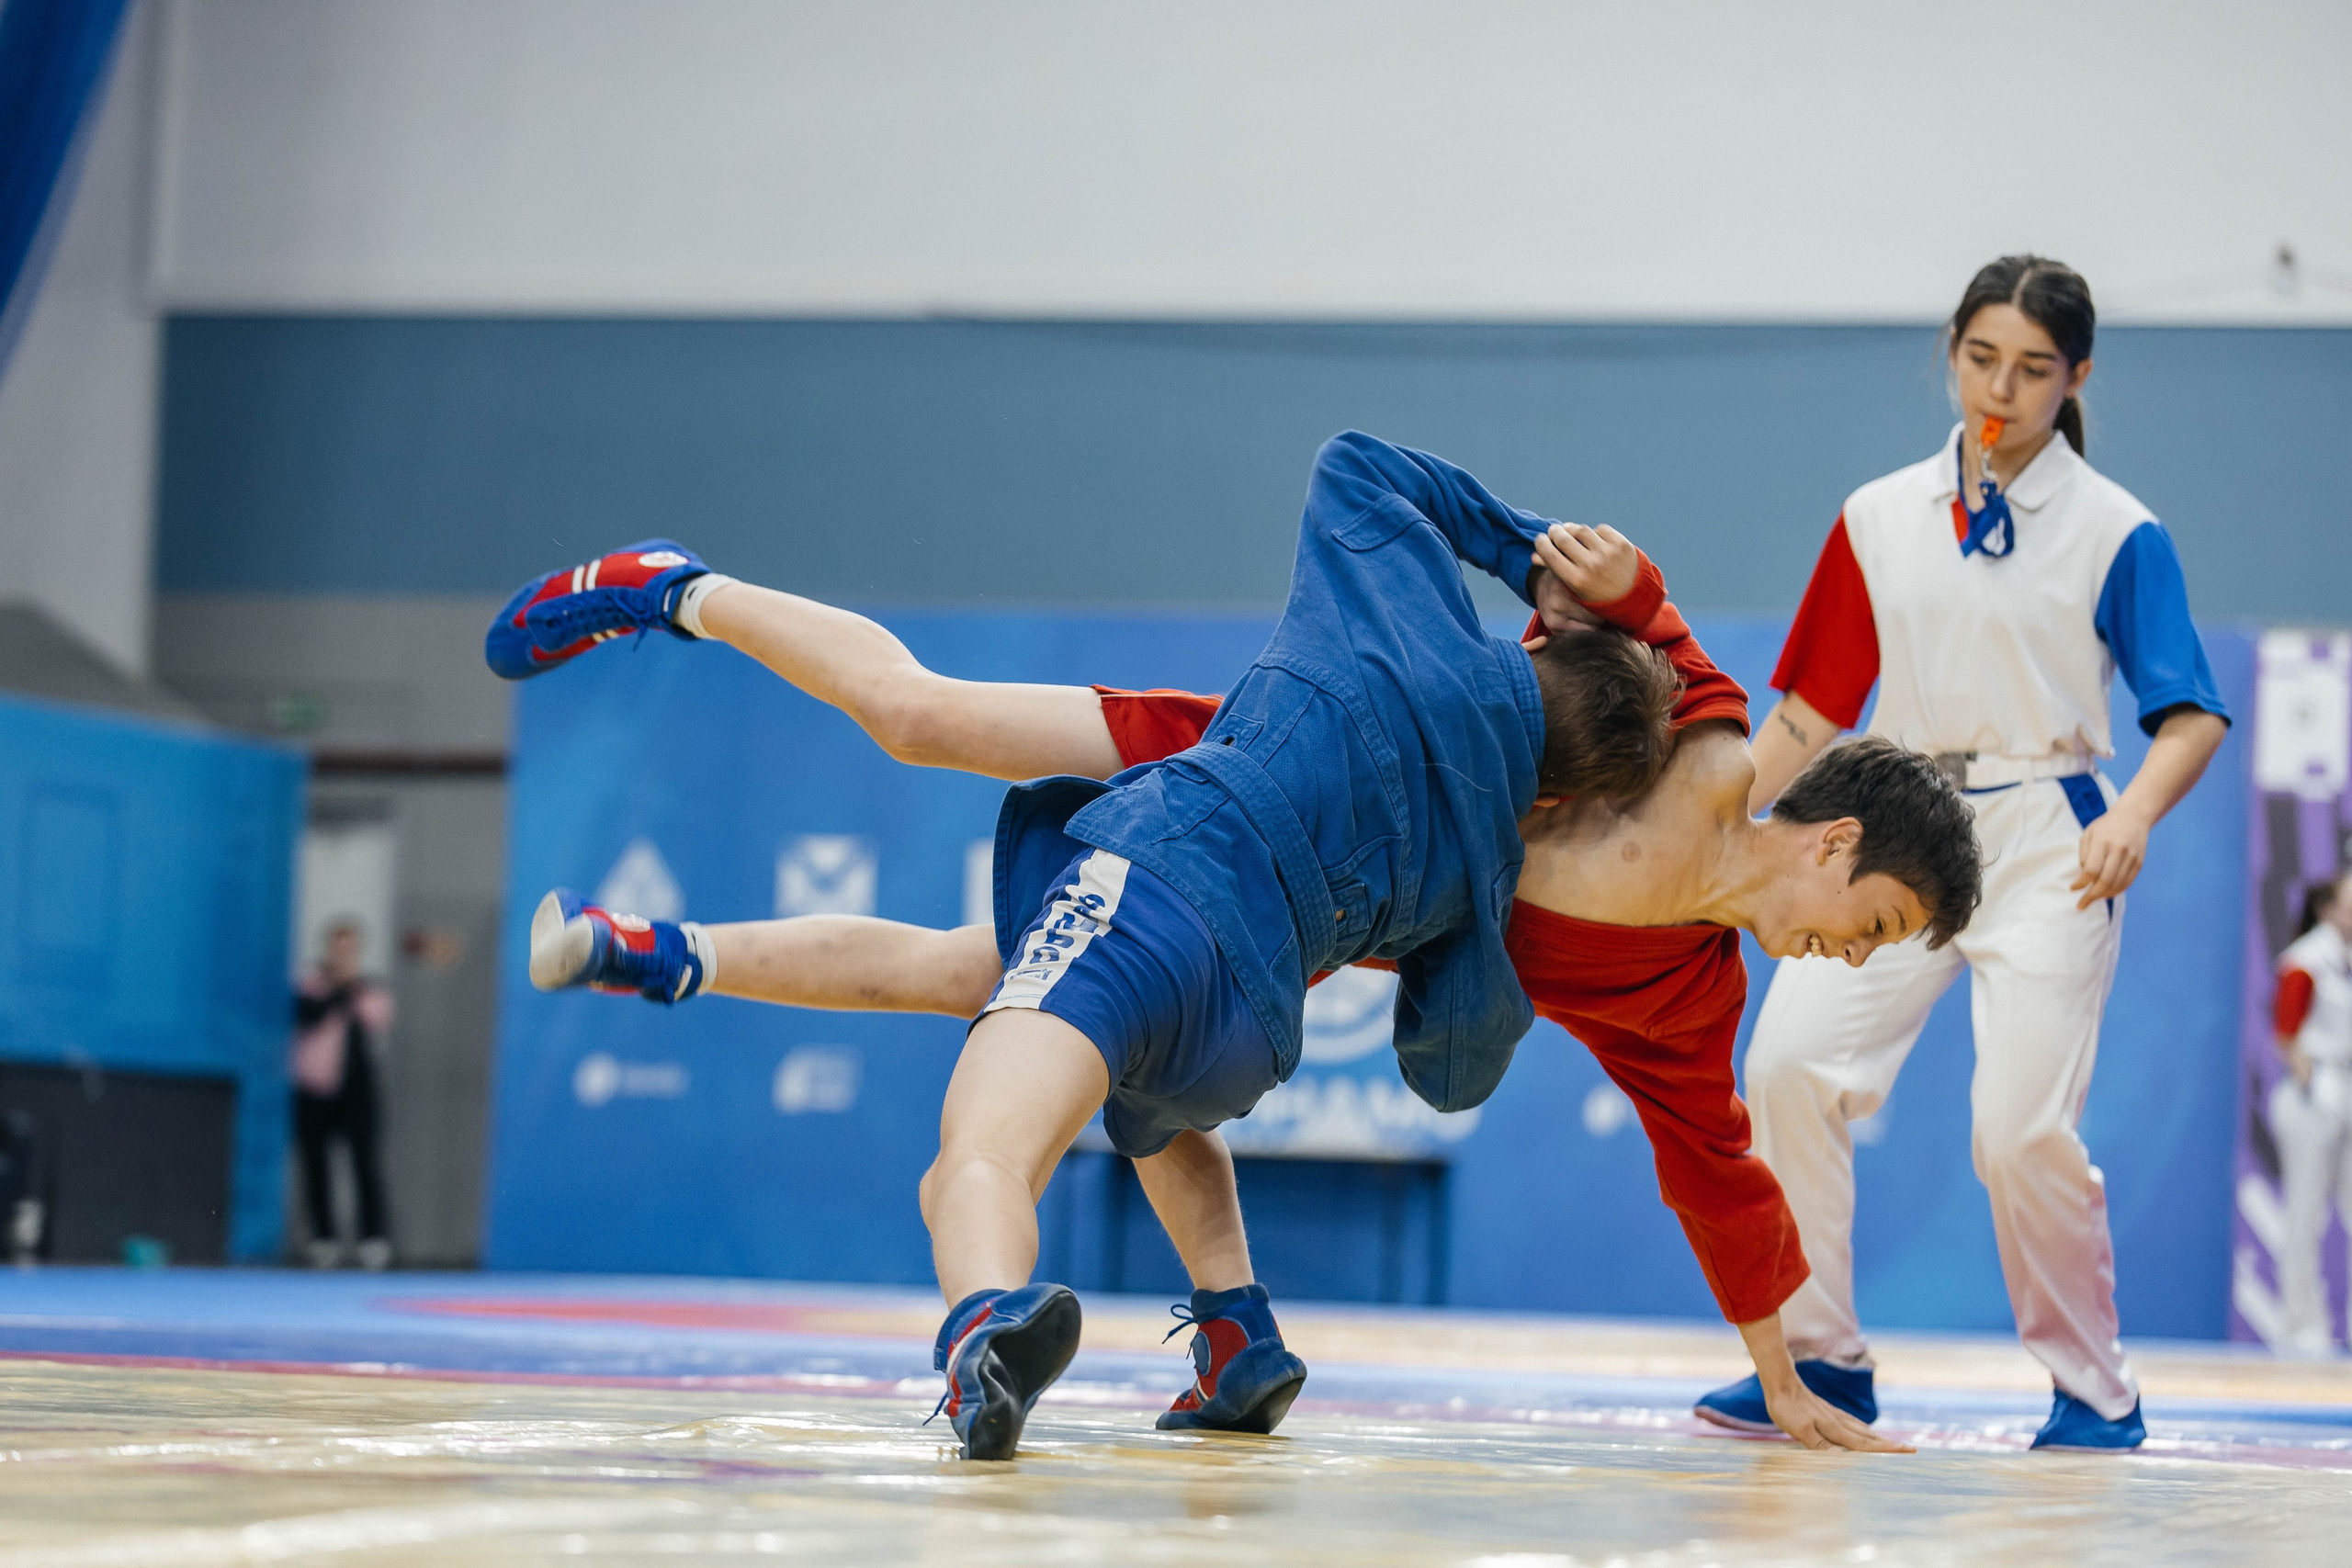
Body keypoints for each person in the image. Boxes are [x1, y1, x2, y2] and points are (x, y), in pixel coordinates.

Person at [492, 495, 1979, 1455]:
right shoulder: (1707, 731)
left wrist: (1784, 1376)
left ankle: (657, 951)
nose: (1855, 954)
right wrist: (1624, 573)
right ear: (1837, 836)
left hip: (1295, 905)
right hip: (1252, 764)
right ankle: (672, 585)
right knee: (921, 718)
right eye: (1881, 917)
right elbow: (1585, 624)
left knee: (982, 981)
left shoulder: (1686, 994)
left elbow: (1713, 1162)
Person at [1701, 255, 2233, 1452]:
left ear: (2078, 375)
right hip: (1893, 817)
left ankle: (2093, 1387)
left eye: (2035, 367)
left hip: (2054, 834)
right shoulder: (1876, 514)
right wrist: (1713, 828)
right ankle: (1823, 1358)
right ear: (1950, 351)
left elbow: (2189, 709)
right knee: (1786, 1061)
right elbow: (1806, 710)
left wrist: (2133, 812)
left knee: (2018, 1129)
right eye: (1982, 356)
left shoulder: (2118, 530)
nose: (2003, 385)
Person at [2270, 874, 2352, 1355]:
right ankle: (2301, 1327)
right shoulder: (2306, 960)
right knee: (2305, 1210)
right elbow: (2287, 1034)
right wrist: (2309, 1080)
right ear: (2330, 910)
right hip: (2317, 1088)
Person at [290, 919, 396, 1270]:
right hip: (314, 1092)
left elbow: (378, 1019)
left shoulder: (368, 988)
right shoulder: (310, 982)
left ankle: (372, 1239)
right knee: (316, 1165)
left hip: (355, 1092)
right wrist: (338, 989)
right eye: (338, 947)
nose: (343, 955)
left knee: (364, 1164)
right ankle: (324, 1239)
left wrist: (352, 988)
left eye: (350, 948)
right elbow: (307, 1014)